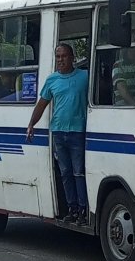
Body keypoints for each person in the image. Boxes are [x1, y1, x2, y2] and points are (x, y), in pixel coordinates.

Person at [27, 44, 89, 225]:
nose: (61, 60)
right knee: (65, 173)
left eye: (64, 56)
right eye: (58, 56)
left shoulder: (84, 77)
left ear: (72, 58)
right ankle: (72, 208)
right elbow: (42, 104)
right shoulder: (52, 80)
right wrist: (32, 124)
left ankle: (83, 210)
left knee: (79, 173)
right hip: (58, 132)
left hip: (78, 131)